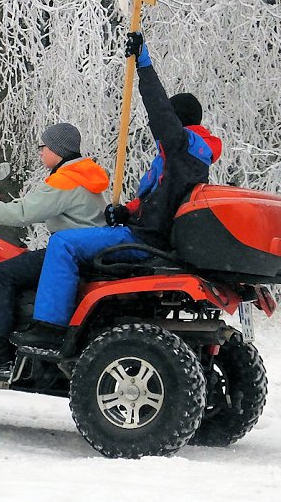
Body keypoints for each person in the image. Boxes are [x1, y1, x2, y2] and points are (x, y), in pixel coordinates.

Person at [13, 33, 222, 350]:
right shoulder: (191, 159)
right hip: (153, 233)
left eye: (165, 125)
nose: (156, 131)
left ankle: (50, 327)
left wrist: (144, 64)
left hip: (145, 241)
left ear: (177, 123)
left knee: (63, 244)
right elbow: (161, 199)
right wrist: (127, 211)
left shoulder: (180, 147)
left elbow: (159, 110)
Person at [0, 123, 110, 367]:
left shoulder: (67, 181)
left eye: (43, 147)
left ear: (57, 149)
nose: (41, 152)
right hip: (85, 251)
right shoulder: (83, 175)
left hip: (69, 254)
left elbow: (23, 213)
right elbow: (37, 205)